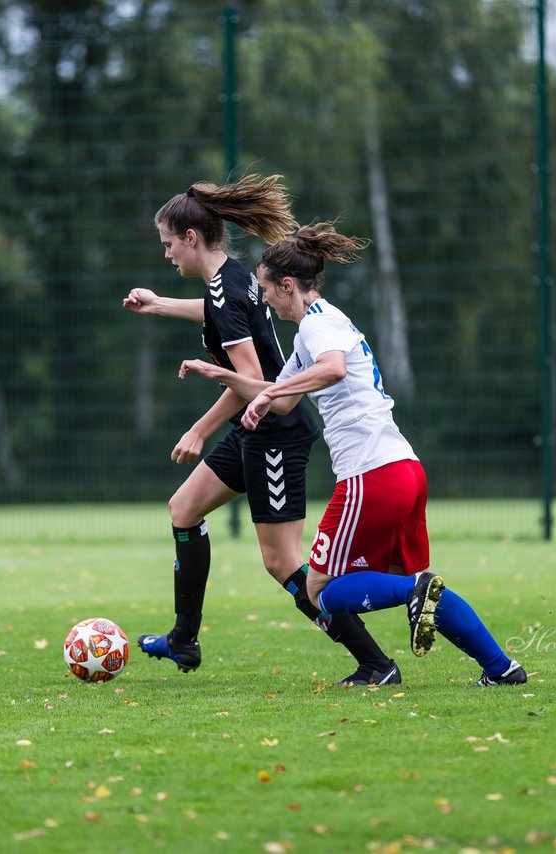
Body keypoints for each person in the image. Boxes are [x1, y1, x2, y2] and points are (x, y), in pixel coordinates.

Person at [179, 223, 528, 687]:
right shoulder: (319, 326)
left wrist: (265, 397)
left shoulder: (321, 326)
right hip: (405, 470)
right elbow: (281, 397)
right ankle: (501, 668)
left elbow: (333, 369)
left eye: (266, 290)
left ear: (288, 286)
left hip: (370, 475)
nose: (263, 300)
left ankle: (411, 597)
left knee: (319, 590)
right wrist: (220, 375)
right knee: (415, 582)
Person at [122, 174, 401, 686]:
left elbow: (252, 381)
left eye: (167, 245)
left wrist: (199, 430)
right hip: (257, 428)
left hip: (276, 430)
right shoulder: (230, 276)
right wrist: (159, 303)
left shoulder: (226, 290)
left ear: (190, 238)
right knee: (183, 509)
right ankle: (184, 639)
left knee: (281, 562)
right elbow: (218, 311)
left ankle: (376, 663)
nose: (166, 255)